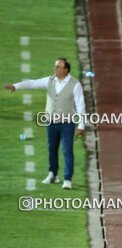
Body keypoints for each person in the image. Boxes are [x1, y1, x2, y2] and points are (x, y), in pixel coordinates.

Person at [4, 58, 85, 190]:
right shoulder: (50, 80)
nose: (55, 69)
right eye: (55, 66)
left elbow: (81, 105)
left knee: (67, 151)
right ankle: (52, 174)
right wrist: (16, 86)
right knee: (51, 150)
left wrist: (81, 126)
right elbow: (32, 83)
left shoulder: (75, 84)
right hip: (51, 122)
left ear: (66, 70)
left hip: (67, 124)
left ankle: (67, 179)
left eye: (58, 67)